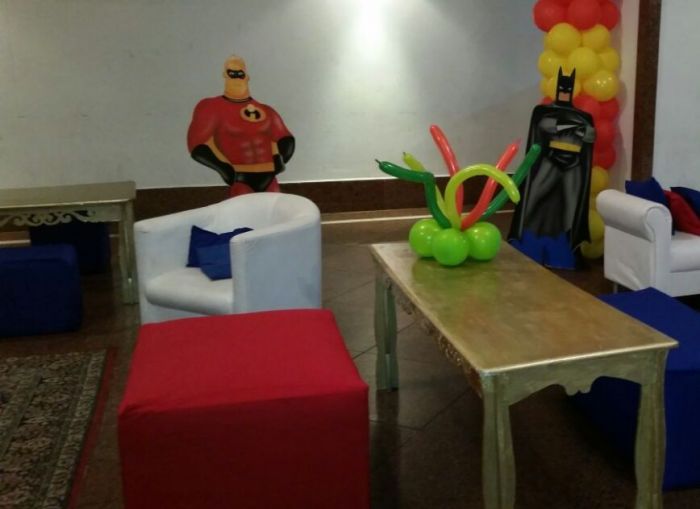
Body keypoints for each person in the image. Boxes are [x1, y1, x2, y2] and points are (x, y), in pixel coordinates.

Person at [187, 55, 295, 196]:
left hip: (269, 177)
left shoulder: (266, 110)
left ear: (247, 77)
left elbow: (285, 138)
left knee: (273, 208)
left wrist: (280, 159)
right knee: (242, 208)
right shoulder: (211, 107)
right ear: (225, 75)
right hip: (240, 178)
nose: (237, 78)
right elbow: (196, 144)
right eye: (232, 73)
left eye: (240, 74)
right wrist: (223, 168)